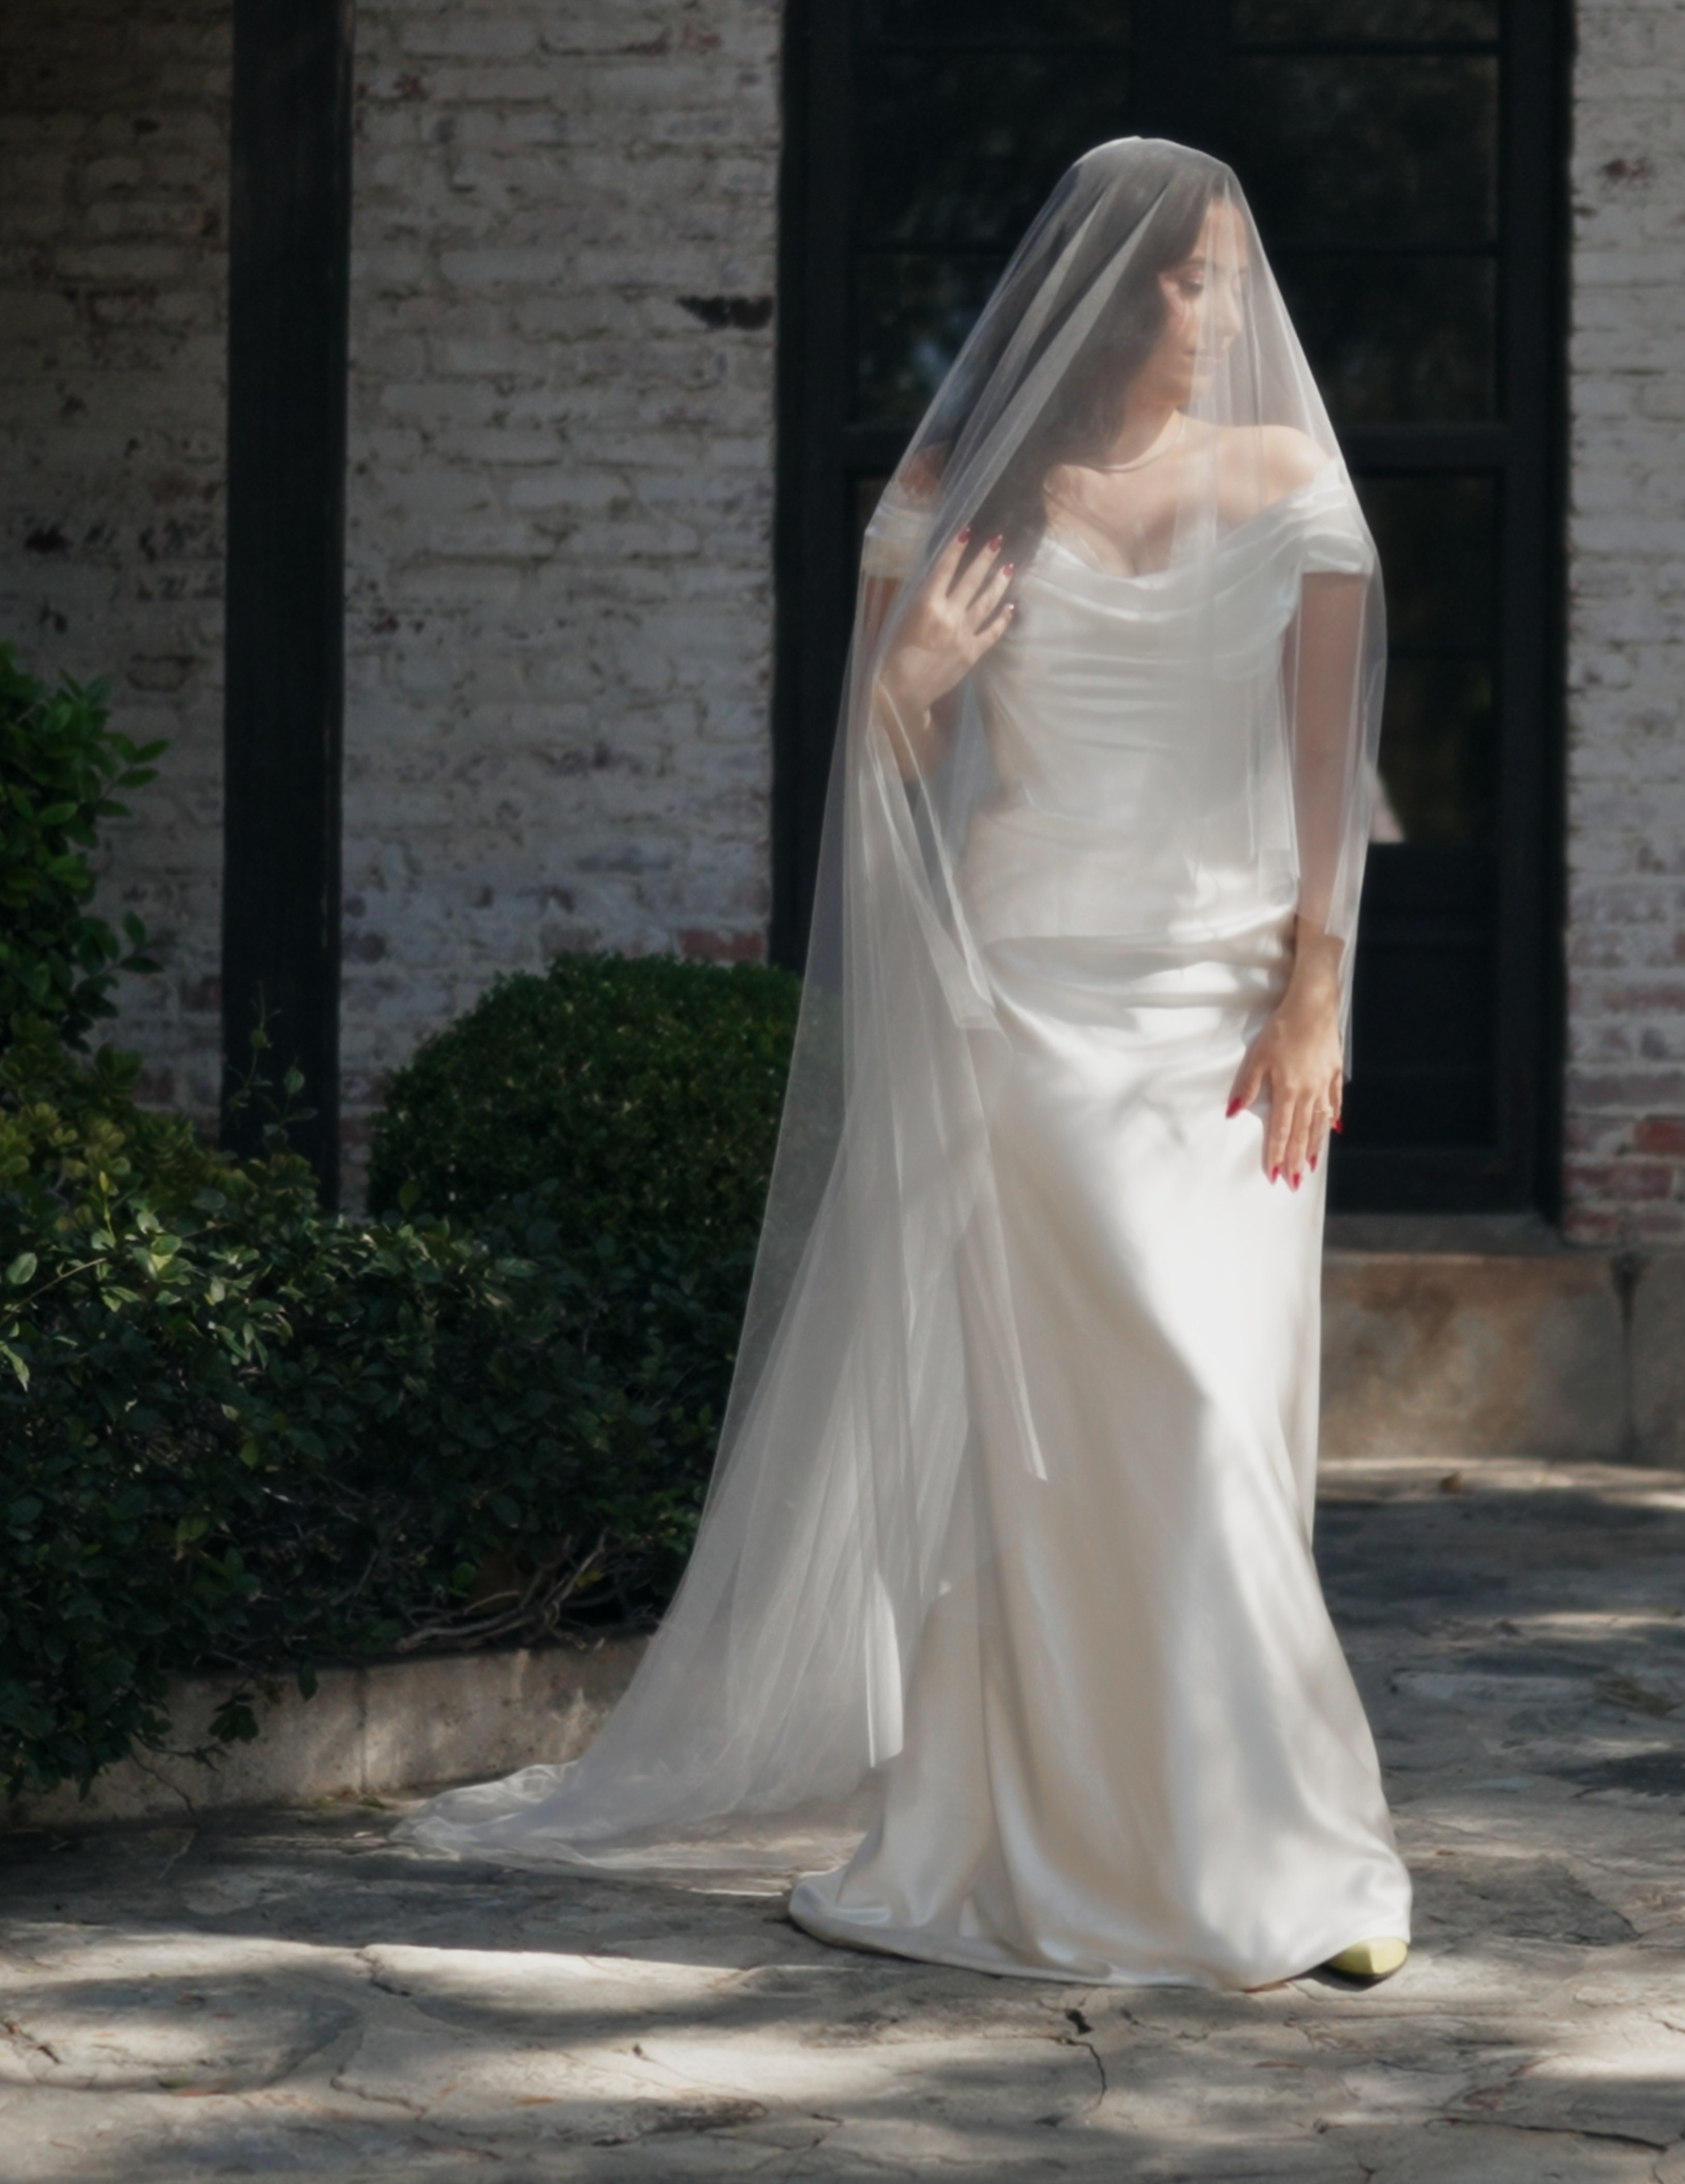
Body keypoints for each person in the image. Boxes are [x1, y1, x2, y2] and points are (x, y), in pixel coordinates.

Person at [397, 138, 1411, 1992]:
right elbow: (872, 781)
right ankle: (1022, 1841)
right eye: (1199, 276)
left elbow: (1333, 778)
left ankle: (1297, 1851)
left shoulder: (1290, 482)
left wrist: (1316, 991)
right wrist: (912, 679)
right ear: (1115, 294)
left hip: (1222, 1016)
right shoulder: (959, 492)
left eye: (1235, 275)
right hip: (1018, 996)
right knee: (1058, 1443)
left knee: (1214, 1409)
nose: (1231, 309)